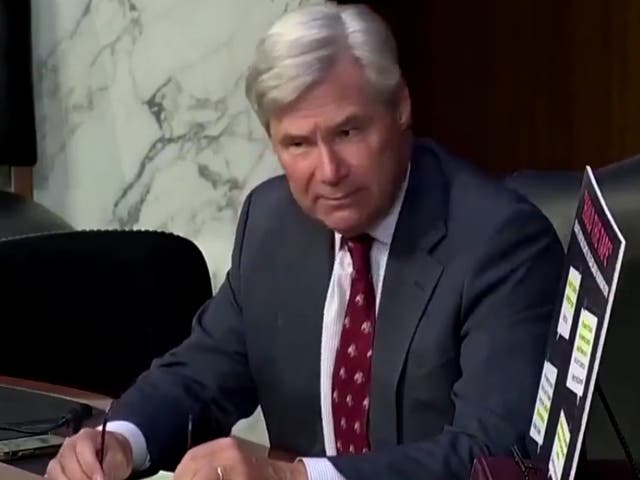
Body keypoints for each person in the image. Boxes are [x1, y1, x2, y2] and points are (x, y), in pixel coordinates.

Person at [46, 3, 564, 480]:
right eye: (298, 143)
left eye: (348, 132)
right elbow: (201, 374)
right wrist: (120, 442)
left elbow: (494, 452)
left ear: (401, 106)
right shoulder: (273, 221)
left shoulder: (501, 243)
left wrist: (294, 477)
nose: (329, 171)